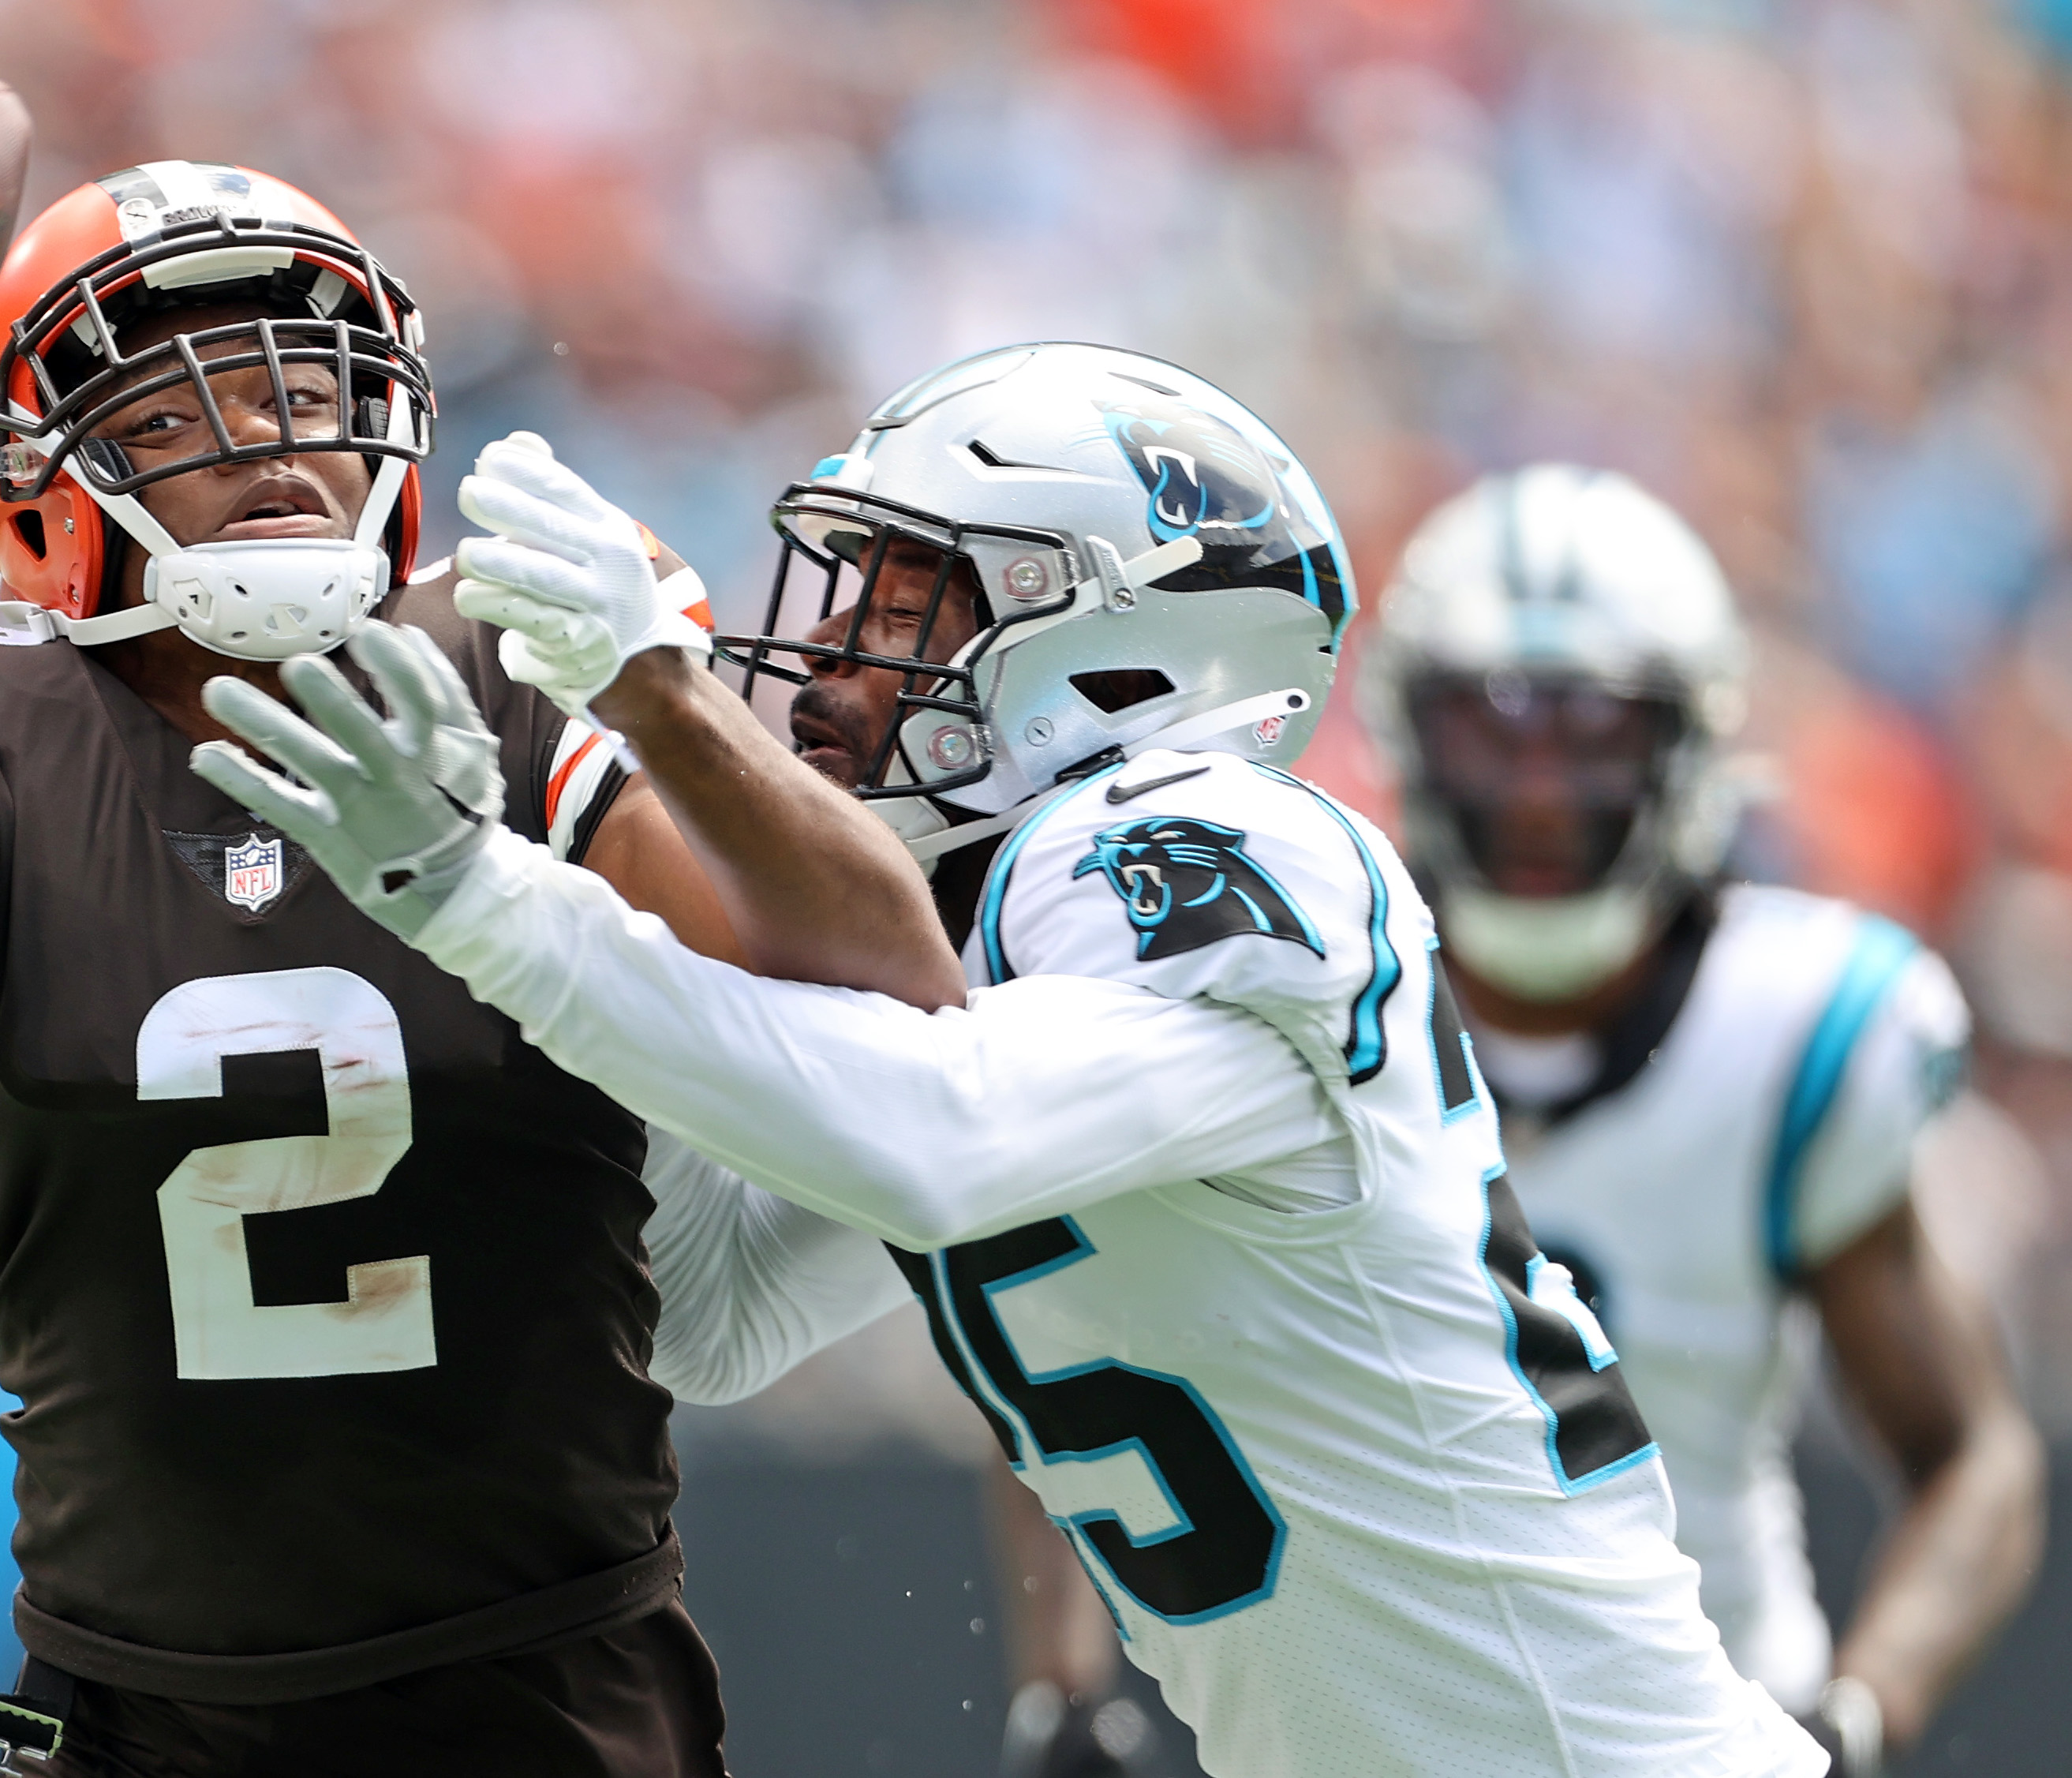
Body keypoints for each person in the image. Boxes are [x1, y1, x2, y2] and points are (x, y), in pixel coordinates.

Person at [193, 342, 1840, 1776]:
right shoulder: (998, 926)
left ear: (1109, 645)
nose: (834, 657)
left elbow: (932, 1134)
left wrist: (494, 896)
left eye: (907, 597)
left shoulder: (1215, 839)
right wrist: (571, 831)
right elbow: (716, 1305)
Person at [0, 159, 956, 1776]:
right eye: (179, 406)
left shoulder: (505, 659)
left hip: (550, 1686)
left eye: (306, 387)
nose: (270, 438)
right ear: (37, 474)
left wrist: (663, 697)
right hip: (139, 1705)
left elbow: (877, 992)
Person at [1347, 466, 2046, 1774]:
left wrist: (1852, 1716)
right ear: (1406, 737)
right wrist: (1069, 1685)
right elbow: (1083, 1353)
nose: (1541, 791)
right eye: (1494, 731)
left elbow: (1972, 1455)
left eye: (1591, 732)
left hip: (1715, 1722)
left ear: (1689, 749)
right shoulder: (1313, 995)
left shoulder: (1795, 1025)